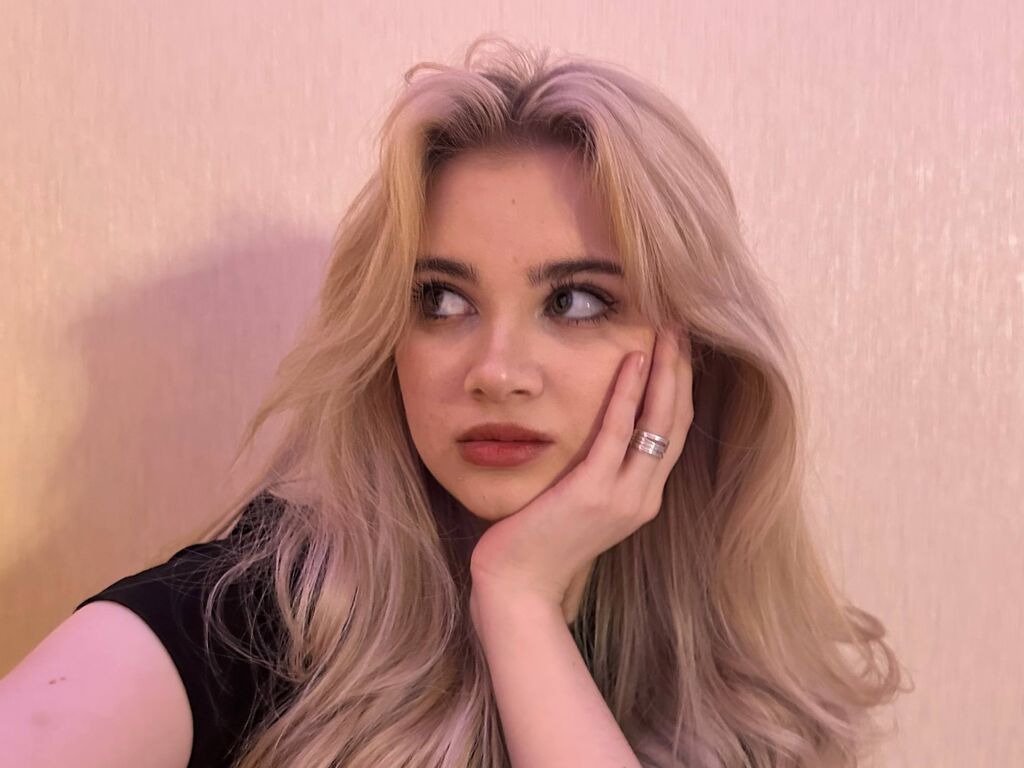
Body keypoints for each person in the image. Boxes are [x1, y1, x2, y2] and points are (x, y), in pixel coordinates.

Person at [0, 34, 910, 768]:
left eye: (576, 301)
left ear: (691, 353)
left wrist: (519, 602)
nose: (495, 371)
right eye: (440, 300)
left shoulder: (738, 674)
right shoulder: (246, 622)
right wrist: (515, 594)